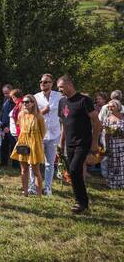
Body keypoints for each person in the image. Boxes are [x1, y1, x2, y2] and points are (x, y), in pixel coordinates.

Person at [58, 75, 101, 214]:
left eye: (61, 87)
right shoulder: (62, 102)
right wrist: (61, 143)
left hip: (83, 142)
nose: (59, 90)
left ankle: (81, 202)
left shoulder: (84, 100)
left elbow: (96, 122)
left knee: (75, 169)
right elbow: (64, 124)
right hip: (69, 143)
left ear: (70, 85)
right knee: (72, 172)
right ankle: (81, 201)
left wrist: (94, 143)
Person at [29, 74, 62, 196]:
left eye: (46, 82)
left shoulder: (59, 96)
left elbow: (63, 114)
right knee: (35, 161)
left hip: (54, 133)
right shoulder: (36, 97)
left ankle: (47, 188)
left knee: (50, 163)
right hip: (39, 134)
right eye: (41, 82)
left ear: (51, 83)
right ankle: (32, 187)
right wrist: (43, 111)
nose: (43, 84)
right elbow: (30, 115)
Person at [11, 94, 46, 197]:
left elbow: (42, 132)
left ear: (33, 103)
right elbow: (20, 127)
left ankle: (39, 194)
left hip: (34, 143)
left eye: (27, 102)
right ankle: (25, 192)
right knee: (23, 169)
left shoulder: (39, 116)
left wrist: (35, 141)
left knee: (36, 170)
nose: (24, 104)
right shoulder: (21, 114)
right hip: (23, 142)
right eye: (23, 102)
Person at [103, 100, 124, 189]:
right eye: (109, 107)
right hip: (112, 144)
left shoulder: (123, 117)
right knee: (112, 164)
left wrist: (119, 133)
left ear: (118, 107)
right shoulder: (107, 118)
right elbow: (106, 134)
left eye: (112, 106)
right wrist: (106, 146)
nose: (110, 108)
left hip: (122, 144)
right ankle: (113, 184)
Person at [0, 84, 16, 167]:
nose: (5, 95)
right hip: (4, 127)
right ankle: (3, 163)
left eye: (7, 93)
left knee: (14, 146)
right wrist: (2, 126)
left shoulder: (15, 102)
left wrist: (9, 127)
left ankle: (15, 165)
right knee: (4, 146)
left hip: (11, 127)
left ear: (11, 92)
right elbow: (3, 114)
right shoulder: (5, 101)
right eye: (4, 93)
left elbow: (14, 116)